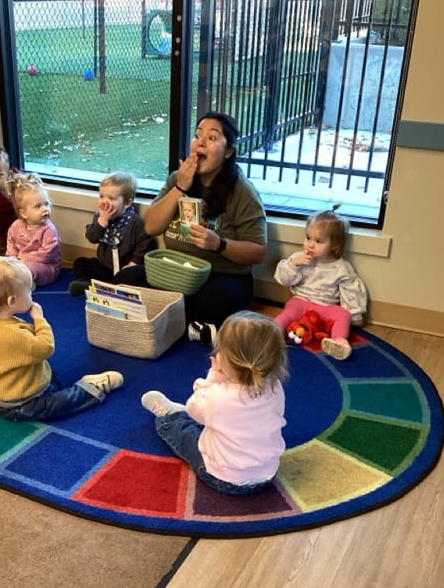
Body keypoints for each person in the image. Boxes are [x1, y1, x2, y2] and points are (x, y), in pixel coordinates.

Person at [116, 112, 267, 346]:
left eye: (213, 137)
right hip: (174, 271)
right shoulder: (178, 178)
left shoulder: (242, 192)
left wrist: (219, 244)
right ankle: (188, 324)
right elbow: (152, 225)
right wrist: (180, 188)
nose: (201, 142)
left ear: (228, 152)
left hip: (221, 276)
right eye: (198, 135)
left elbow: (257, 253)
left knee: (217, 301)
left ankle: (165, 317)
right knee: (123, 281)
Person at [141, 311, 287, 495]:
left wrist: (214, 376)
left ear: (223, 361)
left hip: (224, 478)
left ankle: (170, 416)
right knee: (222, 422)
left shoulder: (216, 397)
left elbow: (193, 407)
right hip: (267, 475)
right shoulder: (275, 386)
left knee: (184, 431)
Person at [0, 256, 124, 422]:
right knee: (63, 402)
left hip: (2, 390)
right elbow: (46, 347)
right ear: (12, 301)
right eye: (28, 291)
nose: (31, 294)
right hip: (21, 404)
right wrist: (39, 319)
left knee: (51, 375)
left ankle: (45, 386)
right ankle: (89, 389)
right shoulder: (14, 334)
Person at [273, 207, 368, 360]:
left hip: (327, 307)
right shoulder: (300, 258)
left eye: (318, 241)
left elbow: (350, 291)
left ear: (334, 246)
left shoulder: (342, 267)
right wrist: (294, 264)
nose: (310, 245)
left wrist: (355, 314)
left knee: (343, 315)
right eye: (308, 238)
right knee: (289, 313)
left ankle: (339, 342)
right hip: (301, 302)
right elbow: (283, 279)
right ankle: (273, 331)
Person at [68, 171, 157, 295]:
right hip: (104, 266)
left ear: (127, 203)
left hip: (125, 268)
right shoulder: (100, 216)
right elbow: (92, 237)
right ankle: (83, 282)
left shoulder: (135, 222)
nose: (105, 202)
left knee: (134, 276)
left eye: (111, 198)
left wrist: (133, 263)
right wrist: (102, 222)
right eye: (101, 196)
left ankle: (115, 285)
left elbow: (145, 244)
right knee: (81, 262)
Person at [6, 172, 62, 287]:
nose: (44, 209)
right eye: (38, 206)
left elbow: (46, 255)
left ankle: (28, 283)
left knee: (30, 268)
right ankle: (14, 281)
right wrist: (13, 259)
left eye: (46, 204)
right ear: (24, 213)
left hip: (45, 267)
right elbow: (11, 243)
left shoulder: (49, 230)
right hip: (20, 262)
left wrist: (23, 260)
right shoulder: (16, 226)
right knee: (3, 266)